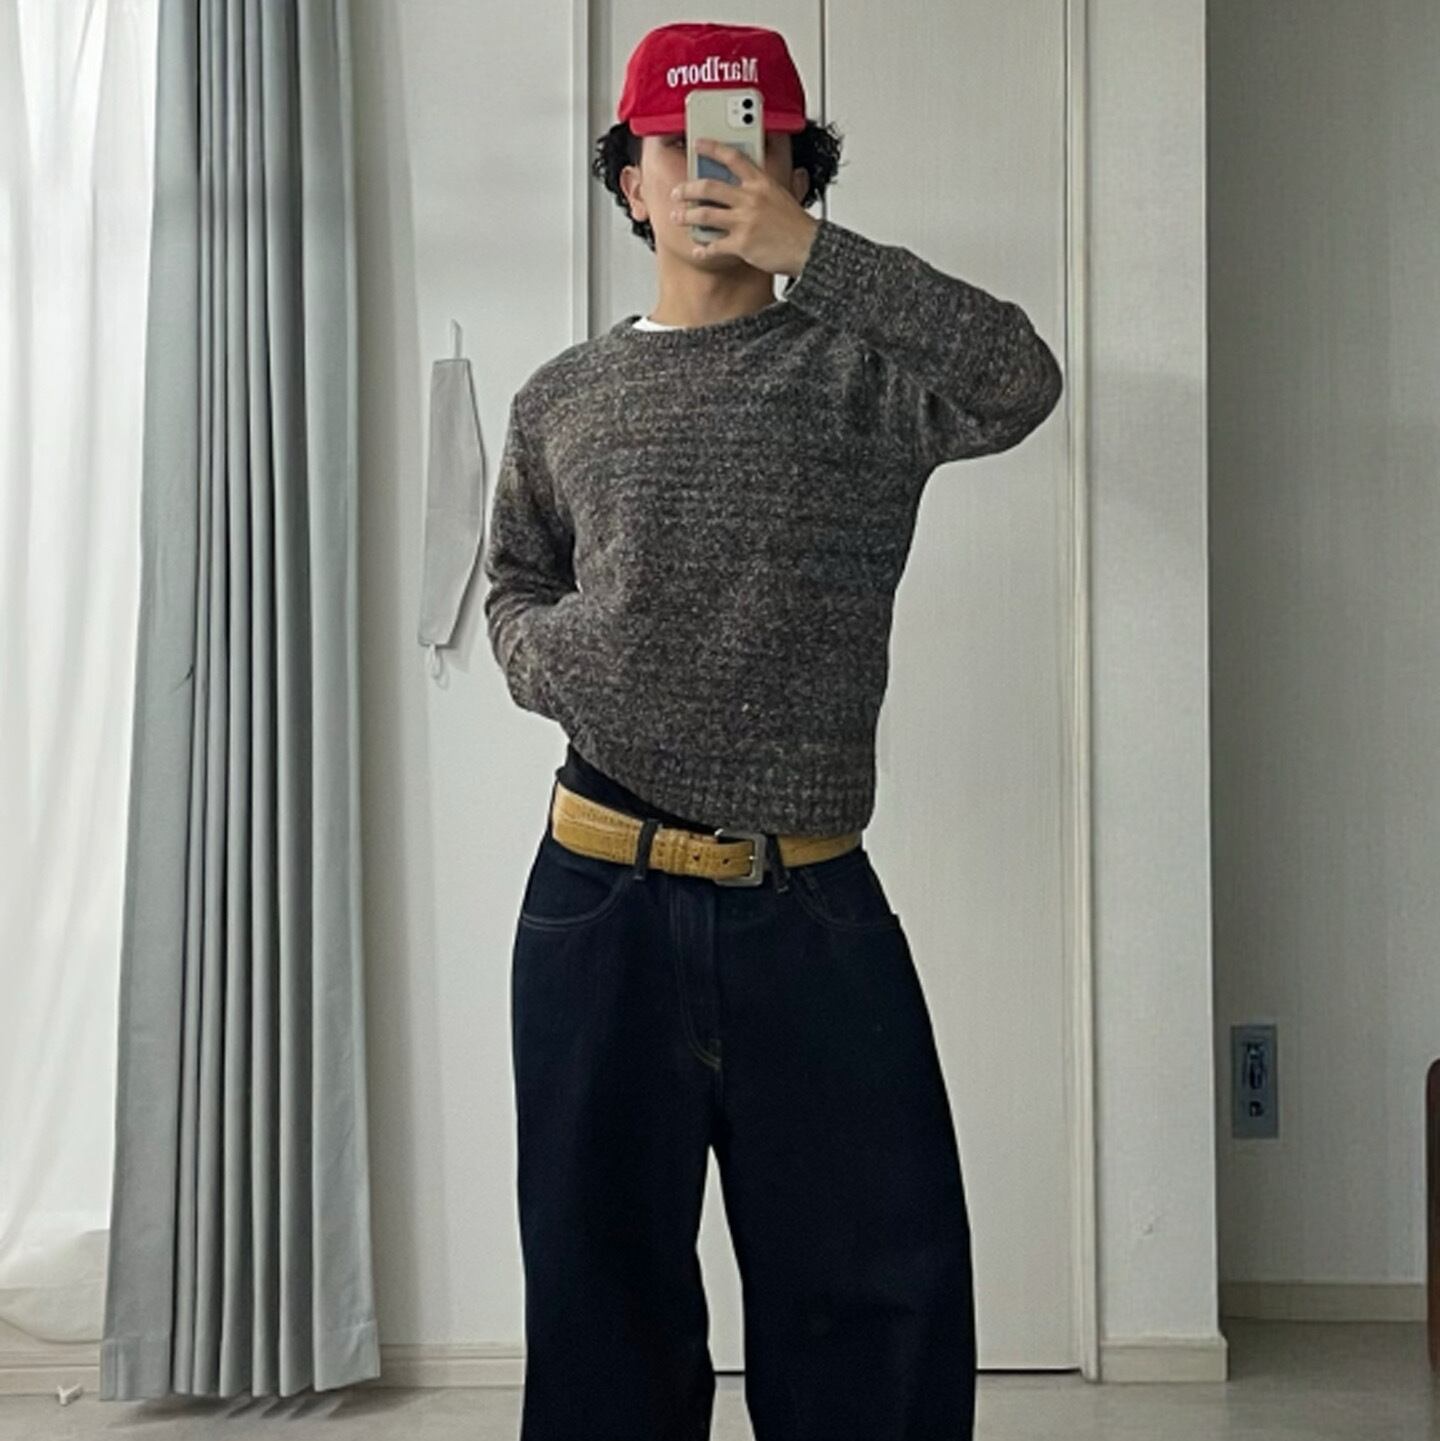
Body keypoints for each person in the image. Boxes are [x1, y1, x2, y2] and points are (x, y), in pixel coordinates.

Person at [482, 21, 1063, 1441]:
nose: (709, 173)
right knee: (602, 1306)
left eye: (751, 146)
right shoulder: (564, 395)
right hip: (595, 896)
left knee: (877, 1306)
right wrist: (568, 659)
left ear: (802, 171)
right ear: (629, 182)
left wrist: (819, 255)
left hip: (810, 901)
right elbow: (514, 586)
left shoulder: (872, 377)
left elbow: (1020, 378)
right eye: (675, 149)